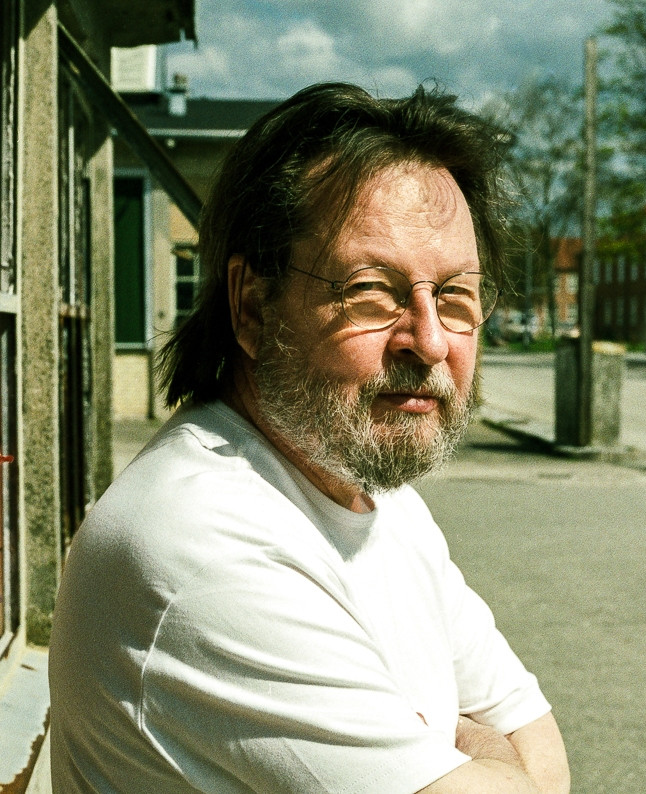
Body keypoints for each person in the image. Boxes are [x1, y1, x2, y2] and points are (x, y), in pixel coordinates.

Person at [49, 82, 570, 793]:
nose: (428, 341)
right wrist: (475, 750)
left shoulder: (382, 503)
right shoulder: (206, 547)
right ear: (253, 307)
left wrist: (477, 757)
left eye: (454, 297)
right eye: (371, 291)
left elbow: (543, 750)